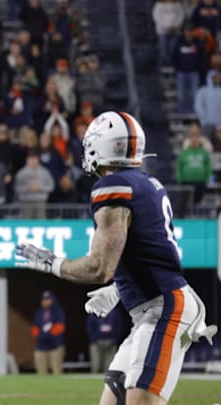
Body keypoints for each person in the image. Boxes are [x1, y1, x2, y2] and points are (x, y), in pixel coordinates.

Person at [16, 111, 218, 404]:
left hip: (165, 310)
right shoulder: (147, 184)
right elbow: (148, 253)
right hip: (153, 308)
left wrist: (52, 263)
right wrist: (119, 290)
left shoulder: (114, 188)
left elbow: (99, 267)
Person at [31, 291, 66, 375]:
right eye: (43, 300)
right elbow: (34, 328)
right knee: (41, 373)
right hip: (41, 346)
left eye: (47, 299)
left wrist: (49, 334)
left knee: (56, 371)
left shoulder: (58, 312)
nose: (44, 301)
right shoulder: (39, 313)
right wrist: (40, 335)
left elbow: (60, 327)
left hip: (55, 346)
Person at [87, 307, 124, 374]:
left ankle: (106, 384)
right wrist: (95, 340)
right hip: (96, 344)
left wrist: (114, 340)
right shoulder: (95, 311)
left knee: (109, 368)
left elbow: (119, 328)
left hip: (111, 343)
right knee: (95, 367)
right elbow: (90, 327)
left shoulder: (115, 313)